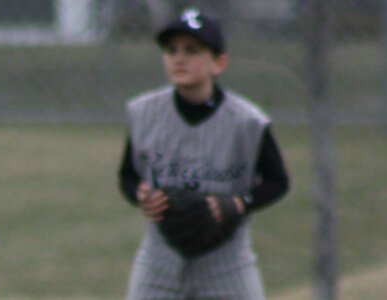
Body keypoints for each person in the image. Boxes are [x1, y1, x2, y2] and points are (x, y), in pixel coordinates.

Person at [116, 8, 292, 300]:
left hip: (227, 263)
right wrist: (141, 195)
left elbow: (278, 181)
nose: (179, 58)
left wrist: (238, 202)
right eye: (171, 50)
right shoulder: (143, 112)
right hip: (159, 260)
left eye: (192, 50)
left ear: (218, 63)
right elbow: (128, 175)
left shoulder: (247, 121)